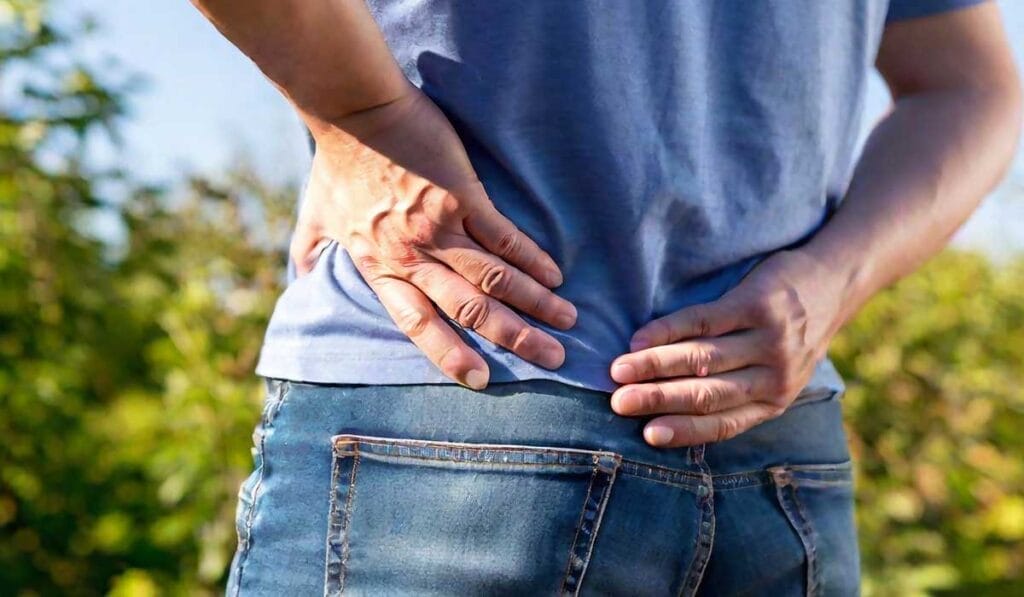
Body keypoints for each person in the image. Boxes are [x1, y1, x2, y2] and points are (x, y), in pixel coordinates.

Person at [190, 1, 1021, 595]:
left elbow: (969, 83)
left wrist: (358, 113)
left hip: (464, 401)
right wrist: (833, 278)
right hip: (768, 447)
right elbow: (971, 83)